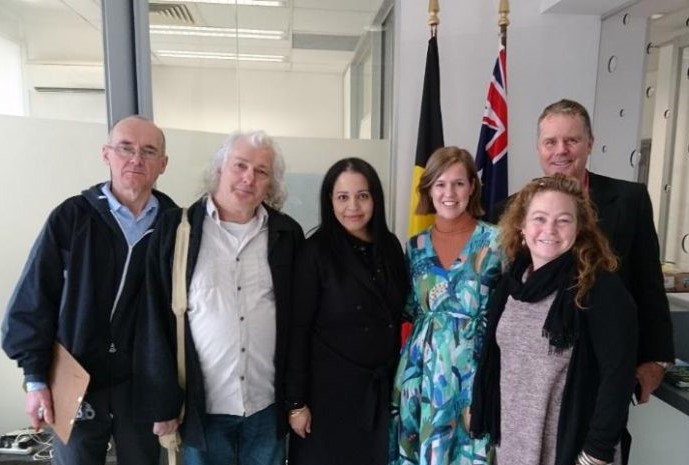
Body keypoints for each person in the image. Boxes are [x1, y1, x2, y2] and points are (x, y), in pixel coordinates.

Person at [1, 115, 175, 465]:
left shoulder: (175, 225)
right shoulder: (72, 217)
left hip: (141, 381)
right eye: (125, 148)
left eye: (148, 151)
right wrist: (35, 380)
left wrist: (173, 393)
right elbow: (35, 298)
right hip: (75, 376)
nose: (136, 159)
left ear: (163, 164)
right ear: (106, 154)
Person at [133, 130, 304, 465]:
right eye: (240, 165)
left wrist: (297, 399)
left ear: (271, 183)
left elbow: (298, 324)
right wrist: (163, 405)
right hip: (202, 411)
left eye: (261, 171)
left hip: (266, 409)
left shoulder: (287, 235)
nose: (248, 178)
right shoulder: (176, 230)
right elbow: (155, 320)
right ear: (219, 169)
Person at [490, 99, 675, 406]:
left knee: (600, 447)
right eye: (551, 141)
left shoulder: (630, 200)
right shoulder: (507, 211)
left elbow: (648, 284)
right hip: (530, 373)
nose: (560, 150)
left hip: (604, 368)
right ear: (539, 148)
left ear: (590, 144)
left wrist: (657, 361)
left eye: (571, 140)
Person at [471, 174, 638, 465]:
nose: (549, 229)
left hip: (571, 450)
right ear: (521, 225)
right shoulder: (511, 284)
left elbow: (618, 377)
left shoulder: (599, 289)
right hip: (514, 445)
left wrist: (595, 454)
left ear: (579, 227)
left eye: (563, 220)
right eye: (539, 218)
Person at [285, 158, 408, 465]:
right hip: (328, 398)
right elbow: (297, 331)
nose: (353, 206)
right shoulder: (315, 252)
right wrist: (296, 403)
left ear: (375, 199)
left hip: (379, 395)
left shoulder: (390, 246)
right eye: (343, 197)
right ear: (330, 201)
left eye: (362, 195)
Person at [389, 147, 503, 465]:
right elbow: (406, 308)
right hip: (421, 373)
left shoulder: (498, 241)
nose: (449, 193)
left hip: (474, 370)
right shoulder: (415, 247)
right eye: (440, 184)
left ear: (472, 187)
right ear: (428, 189)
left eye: (458, 183)